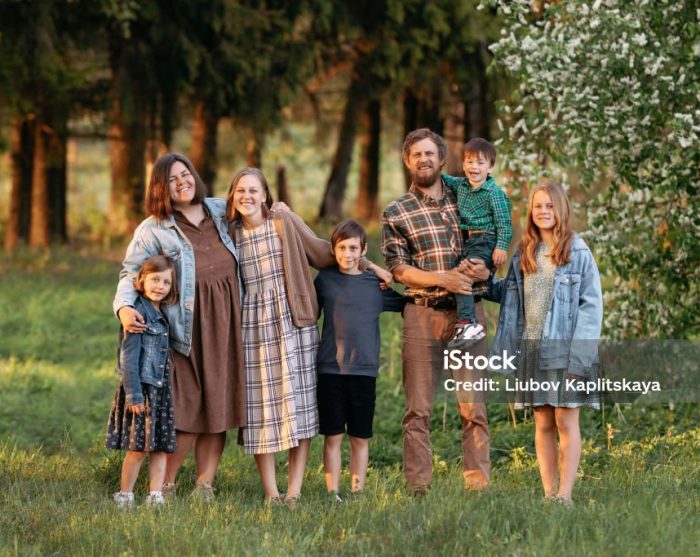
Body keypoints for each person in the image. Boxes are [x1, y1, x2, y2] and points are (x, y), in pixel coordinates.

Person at [226, 168, 390, 506]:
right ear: (232, 196)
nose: (247, 197)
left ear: (266, 194)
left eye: (254, 190)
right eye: (241, 191)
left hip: (293, 322)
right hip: (253, 327)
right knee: (262, 411)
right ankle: (272, 493)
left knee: (298, 408)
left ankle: (294, 492)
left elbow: (328, 252)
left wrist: (371, 267)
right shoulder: (229, 233)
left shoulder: (283, 222)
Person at [114, 153, 245, 502]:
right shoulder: (154, 227)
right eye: (171, 179)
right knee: (186, 406)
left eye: (185, 174)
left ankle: (205, 485)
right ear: (161, 187)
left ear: (195, 176)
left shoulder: (221, 211)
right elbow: (130, 272)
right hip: (184, 329)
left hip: (228, 322)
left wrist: (284, 213)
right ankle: (166, 484)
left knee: (219, 403)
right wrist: (125, 308)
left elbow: (262, 207)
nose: (181, 182)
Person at [381, 128, 492, 495]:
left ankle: (476, 485)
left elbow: (490, 240)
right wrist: (441, 279)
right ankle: (419, 488)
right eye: (416, 155)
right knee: (418, 410)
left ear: (442, 158)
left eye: (430, 153)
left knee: (472, 406)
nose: (424, 160)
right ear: (407, 161)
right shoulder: (397, 211)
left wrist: (486, 267)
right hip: (421, 313)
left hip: (469, 315)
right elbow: (399, 268)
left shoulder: (470, 197)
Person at [487, 183, 603, 505]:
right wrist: (477, 281)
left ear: (561, 209)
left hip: (566, 352)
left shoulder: (577, 252)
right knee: (543, 422)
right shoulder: (526, 251)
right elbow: (508, 293)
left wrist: (580, 359)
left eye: (549, 206)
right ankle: (548, 493)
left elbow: (591, 308)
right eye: (537, 206)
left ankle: (565, 495)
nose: (543, 211)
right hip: (533, 350)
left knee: (566, 419)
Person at [314, 220, 406, 502]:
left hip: (364, 372)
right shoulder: (324, 281)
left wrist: (378, 270)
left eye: (354, 248)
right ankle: (332, 493)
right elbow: (306, 316)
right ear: (333, 249)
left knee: (360, 437)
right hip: (330, 369)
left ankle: (357, 491)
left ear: (363, 250)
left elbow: (407, 304)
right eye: (341, 248)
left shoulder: (375, 287)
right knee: (332, 437)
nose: (347, 254)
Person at [107, 255, 178, 508]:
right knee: (138, 448)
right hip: (142, 390)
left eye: (166, 282)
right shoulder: (137, 314)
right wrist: (134, 395)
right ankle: (125, 495)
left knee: (160, 447)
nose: (160, 286)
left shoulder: (165, 314)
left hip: (160, 391)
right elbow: (128, 358)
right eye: (155, 279)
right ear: (141, 280)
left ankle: (155, 495)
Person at [442, 137, 512, 343]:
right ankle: (468, 320)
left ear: (490, 168)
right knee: (458, 272)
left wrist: (501, 246)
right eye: (470, 162)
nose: (474, 167)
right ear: (463, 164)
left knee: (462, 275)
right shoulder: (461, 185)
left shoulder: (494, 193)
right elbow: (443, 178)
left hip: (487, 239)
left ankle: (468, 323)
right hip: (471, 240)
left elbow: (504, 222)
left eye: (480, 163)